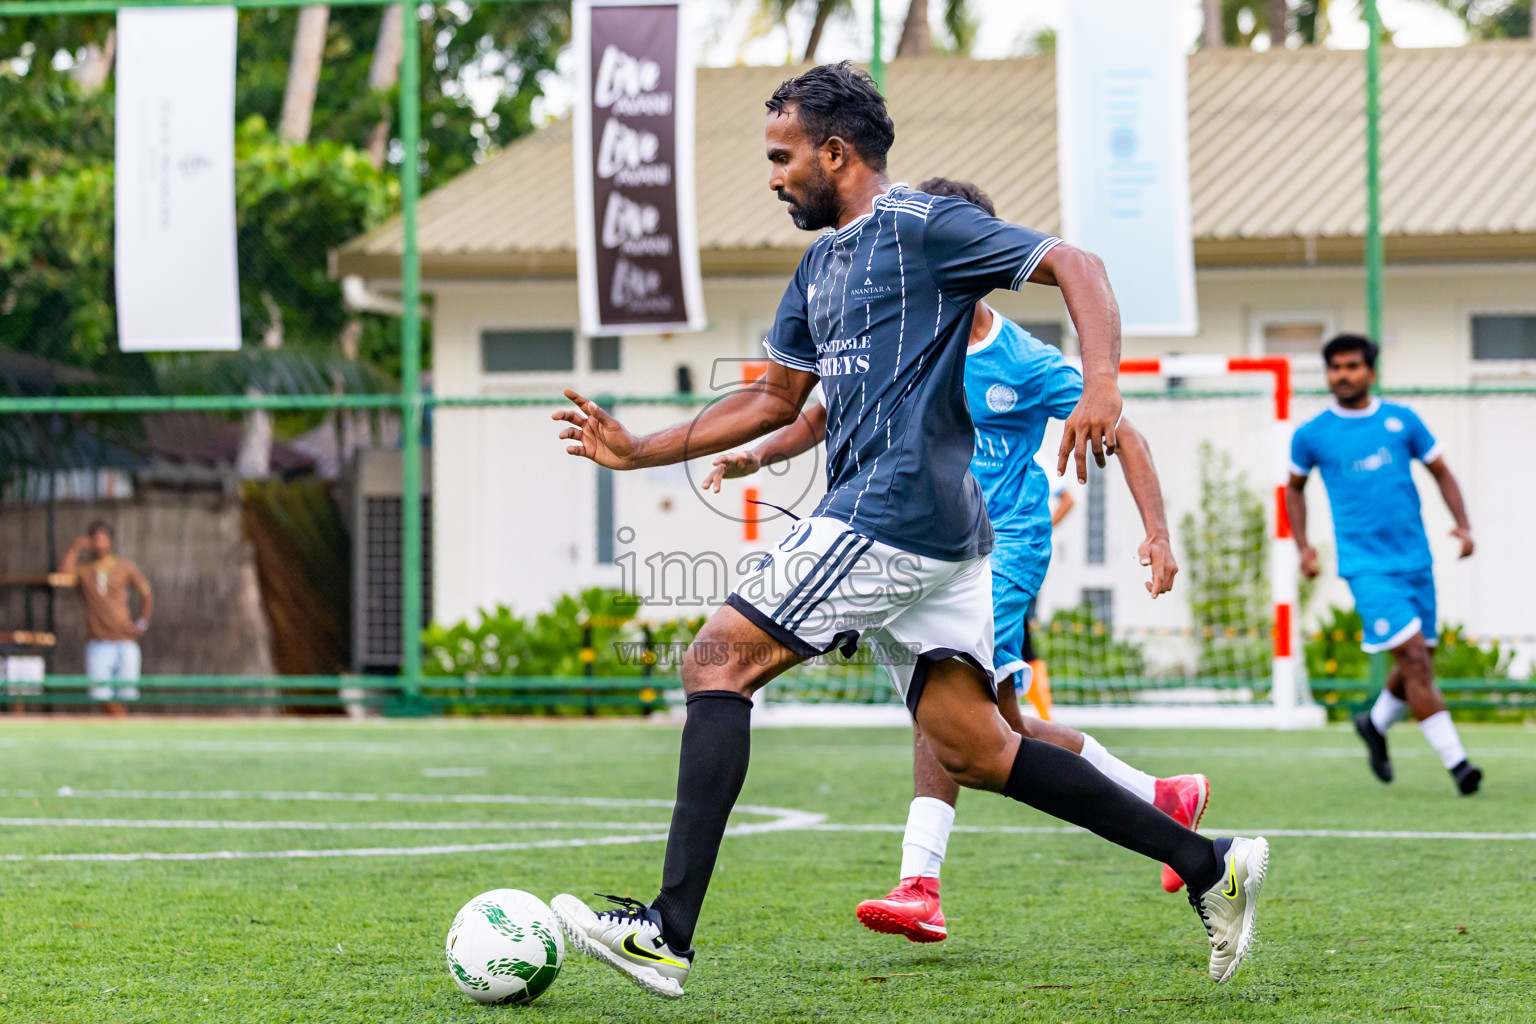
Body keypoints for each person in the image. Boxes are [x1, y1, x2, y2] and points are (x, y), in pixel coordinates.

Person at [548, 63, 1267, 999]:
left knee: (714, 661)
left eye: (782, 157)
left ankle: (665, 930)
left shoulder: (924, 227)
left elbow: (1076, 265)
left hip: (893, 515)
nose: (772, 177)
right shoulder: (818, 265)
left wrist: (1100, 386)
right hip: (945, 541)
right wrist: (643, 449)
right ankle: (1210, 863)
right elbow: (775, 397)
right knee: (978, 749)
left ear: (836, 153)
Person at [701, 176, 1213, 940]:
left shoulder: (1023, 360)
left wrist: (1157, 533)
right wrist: (757, 455)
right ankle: (1161, 798)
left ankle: (921, 882)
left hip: (1000, 549)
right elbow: (818, 413)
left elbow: (1122, 429)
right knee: (995, 728)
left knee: (938, 705)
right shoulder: (899, 334)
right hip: (918, 541)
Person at [1286, 334, 1481, 794]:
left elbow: (1442, 471)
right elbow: (1294, 488)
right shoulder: (1312, 434)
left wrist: (1464, 526)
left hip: (1416, 560)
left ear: (1370, 372)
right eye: (1335, 367)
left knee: (1420, 659)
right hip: (1366, 565)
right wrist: (1304, 548)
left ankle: (1374, 724)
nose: (1343, 375)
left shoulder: (1402, 420)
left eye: (1352, 366)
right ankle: (1459, 765)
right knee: (1414, 658)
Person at [59, 520, 153, 704]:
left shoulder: (125, 567)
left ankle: (121, 727)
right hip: (98, 641)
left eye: (103, 538)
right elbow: (63, 575)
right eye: (95, 539)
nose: (99, 543)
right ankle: (119, 724)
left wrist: (142, 622)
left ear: (111, 541)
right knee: (100, 695)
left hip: (125, 640)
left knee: (127, 694)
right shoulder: (84, 569)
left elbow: (147, 593)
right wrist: (76, 548)